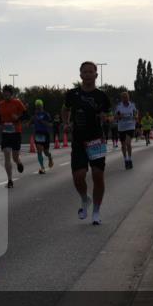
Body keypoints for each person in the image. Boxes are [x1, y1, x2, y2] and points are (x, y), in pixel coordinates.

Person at [63, 62, 111, 225]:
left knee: (98, 176)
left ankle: (96, 211)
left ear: (96, 75)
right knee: (78, 176)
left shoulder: (102, 96)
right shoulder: (72, 94)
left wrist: (106, 118)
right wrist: (66, 122)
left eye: (91, 72)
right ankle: (85, 199)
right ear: (81, 75)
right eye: (85, 72)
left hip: (96, 139)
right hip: (78, 140)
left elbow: (109, 114)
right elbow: (66, 109)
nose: (88, 74)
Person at [0, 85, 27, 188]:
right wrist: (0, 121)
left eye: (7, 94)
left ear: (11, 94)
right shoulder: (0, 104)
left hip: (16, 132)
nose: (5, 95)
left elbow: (26, 115)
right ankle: (10, 180)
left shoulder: (17, 102)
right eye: (4, 94)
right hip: (5, 133)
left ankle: (19, 163)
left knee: (15, 157)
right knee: (6, 154)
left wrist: (18, 118)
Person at [114, 90, 138, 169]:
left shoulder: (132, 105)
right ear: (122, 98)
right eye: (124, 97)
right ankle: (125, 159)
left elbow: (136, 113)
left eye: (126, 97)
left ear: (128, 97)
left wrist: (136, 117)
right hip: (121, 127)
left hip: (130, 126)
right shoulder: (119, 106)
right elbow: (115, 117)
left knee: (128, 143)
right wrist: (119, 116)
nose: (125, 99)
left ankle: (130, 159)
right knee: (123, 145)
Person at [31, 99, 54, 174]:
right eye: (37, 106)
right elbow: (29, 123)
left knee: (46, 152)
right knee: (39, 151)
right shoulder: (34, 115)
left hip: (45, 134)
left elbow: (50, 124)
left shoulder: (46, 114)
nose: (38, 108)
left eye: (39, 106)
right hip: (38, 134)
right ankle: (42, 167)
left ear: (42, 106)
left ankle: (50, 157)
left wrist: (41, 121)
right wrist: (29, 123)